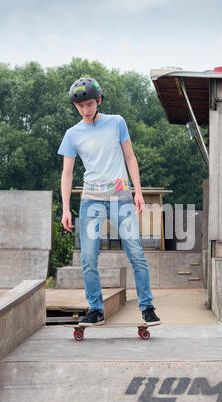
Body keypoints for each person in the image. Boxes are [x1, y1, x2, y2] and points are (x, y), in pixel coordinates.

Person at [57, 77, 161, 327]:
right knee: (88, 258)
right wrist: (65, 209)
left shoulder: (117, 122)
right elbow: (67, 173)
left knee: (135, 252)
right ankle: (96, 309)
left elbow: (130, 157)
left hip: (121, 199)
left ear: (99, 101)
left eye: (90, 104)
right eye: (80, 106)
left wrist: (138, 191)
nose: (86, 110)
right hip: (91, 201)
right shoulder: (72, 134)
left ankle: (147, 307)